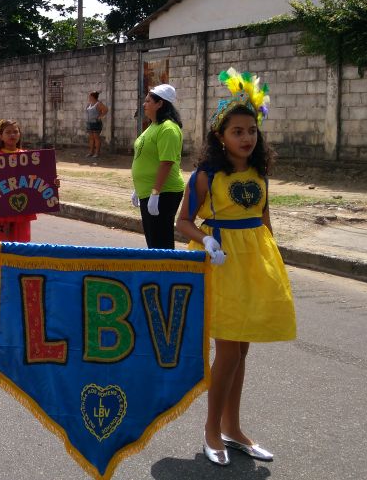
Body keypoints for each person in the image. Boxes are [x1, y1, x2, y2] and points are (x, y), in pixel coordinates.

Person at [176, 68, 294, 466]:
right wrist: (206, 240)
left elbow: (265, 218)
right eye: (237, 131)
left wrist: (272, 263)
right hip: (221, 265)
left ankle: (233, 428)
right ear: (220, 137)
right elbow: (182, 222)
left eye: (251, 131)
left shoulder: (260, 172)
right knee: (226, 353)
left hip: (254, 265)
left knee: (242, 352)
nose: (246, 138)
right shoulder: (205, 176)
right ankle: (212, 429)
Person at [0, 119, 49, 243]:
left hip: (21, 214)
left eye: (15, 132)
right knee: (1, 249)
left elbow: (40, 181)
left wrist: (53, 183)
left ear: (19, 134)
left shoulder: (30, 158)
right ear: (1, 136)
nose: (12, 135)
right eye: (8, 132)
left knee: (20, 251)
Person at [130, 83, 185, 249]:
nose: (144, 104)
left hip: (164, 193)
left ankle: (167, 274)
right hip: (149, 191)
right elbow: (146, 158)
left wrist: (155, 193)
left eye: (148, 101)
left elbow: (166, 162)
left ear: (160, 103)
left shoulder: (168, 129)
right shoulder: (153, 126)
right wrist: (138, 188)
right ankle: (159, 273)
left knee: (161, 242)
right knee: (153, 241)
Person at [85, 91, 109, 158]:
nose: (89, 97)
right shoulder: (89, 104)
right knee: (91, 138)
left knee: (96, 138)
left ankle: (97, 153)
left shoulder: (98, 104)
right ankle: (91, 152)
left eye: (90, 96)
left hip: (96, 123)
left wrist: (100, 116)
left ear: (93, 97)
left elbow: (106, 110)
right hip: (89, 123)